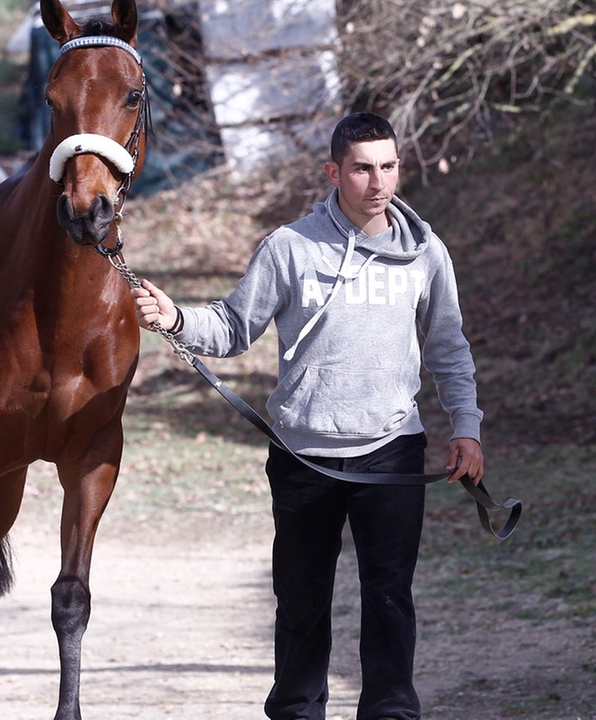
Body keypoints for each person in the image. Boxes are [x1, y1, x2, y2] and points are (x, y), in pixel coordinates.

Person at [131, 111, 484, 720]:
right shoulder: (289, 249)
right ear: (334, 172)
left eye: (389, 166)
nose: (378, 182)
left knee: (389, 594)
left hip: (392, 451)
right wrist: (177, 318)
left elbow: (449, 346)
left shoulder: (426, 254)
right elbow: (235, 325)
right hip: (302, 455)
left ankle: (391, 709)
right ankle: (296, 710)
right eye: (362, 168)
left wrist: (466, 428)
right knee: (299, 599)